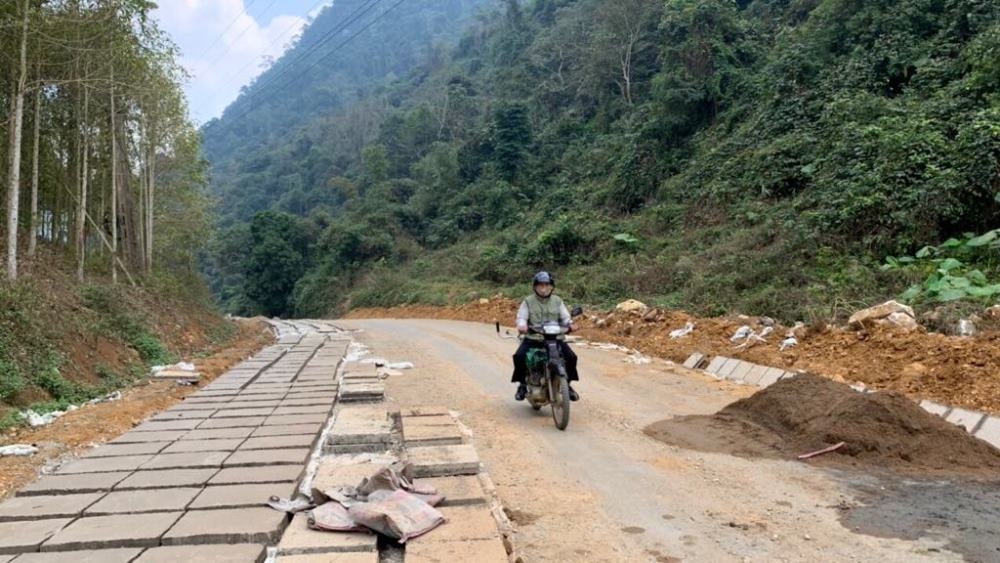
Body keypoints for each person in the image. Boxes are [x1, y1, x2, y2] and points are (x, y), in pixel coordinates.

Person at [511, 271, 580, 402]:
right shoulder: (528, 302)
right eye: (540, 285)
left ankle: (567, 385)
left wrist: (571, 324)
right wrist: (522, 325)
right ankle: (522, 385)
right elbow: (522, 317)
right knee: (519, 356)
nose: (543, 288)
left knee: (571, 357)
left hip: (555, 338)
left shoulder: (558, 301)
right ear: (535, 287)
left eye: (546, 285)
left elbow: (566, 317)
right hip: (534, 338)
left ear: (551, 286)